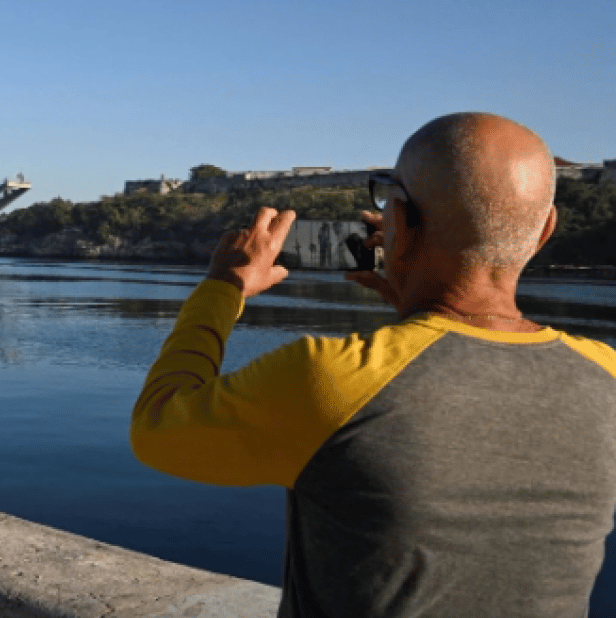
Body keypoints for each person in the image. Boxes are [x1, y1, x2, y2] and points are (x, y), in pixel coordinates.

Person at [131, 112, 616, 617]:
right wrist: (420, 313)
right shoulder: (608, 376)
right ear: (545, 232)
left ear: (400, 221)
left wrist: (222, 287)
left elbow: (156, 427)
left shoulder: (328, 376)